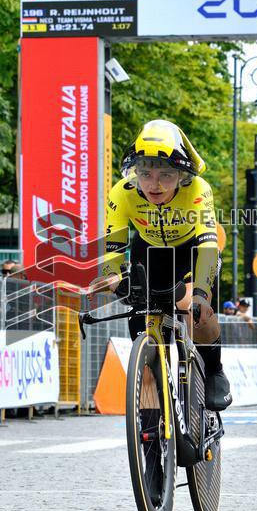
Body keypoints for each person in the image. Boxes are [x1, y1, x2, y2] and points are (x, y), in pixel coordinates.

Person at [93, 120, 231, 411]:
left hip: (192, 249)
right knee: (139, 313)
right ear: (135, 173)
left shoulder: (197, 188)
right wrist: (111, 277)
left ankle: (214, 370)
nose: (154, 184)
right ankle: (150, 410)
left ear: (181, 175)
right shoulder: (122, 192)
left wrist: (201, 294)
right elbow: (113, 248)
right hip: (150, 251)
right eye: (146, 173)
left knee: (198, 311)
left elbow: (208, 246)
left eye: (166, 175)